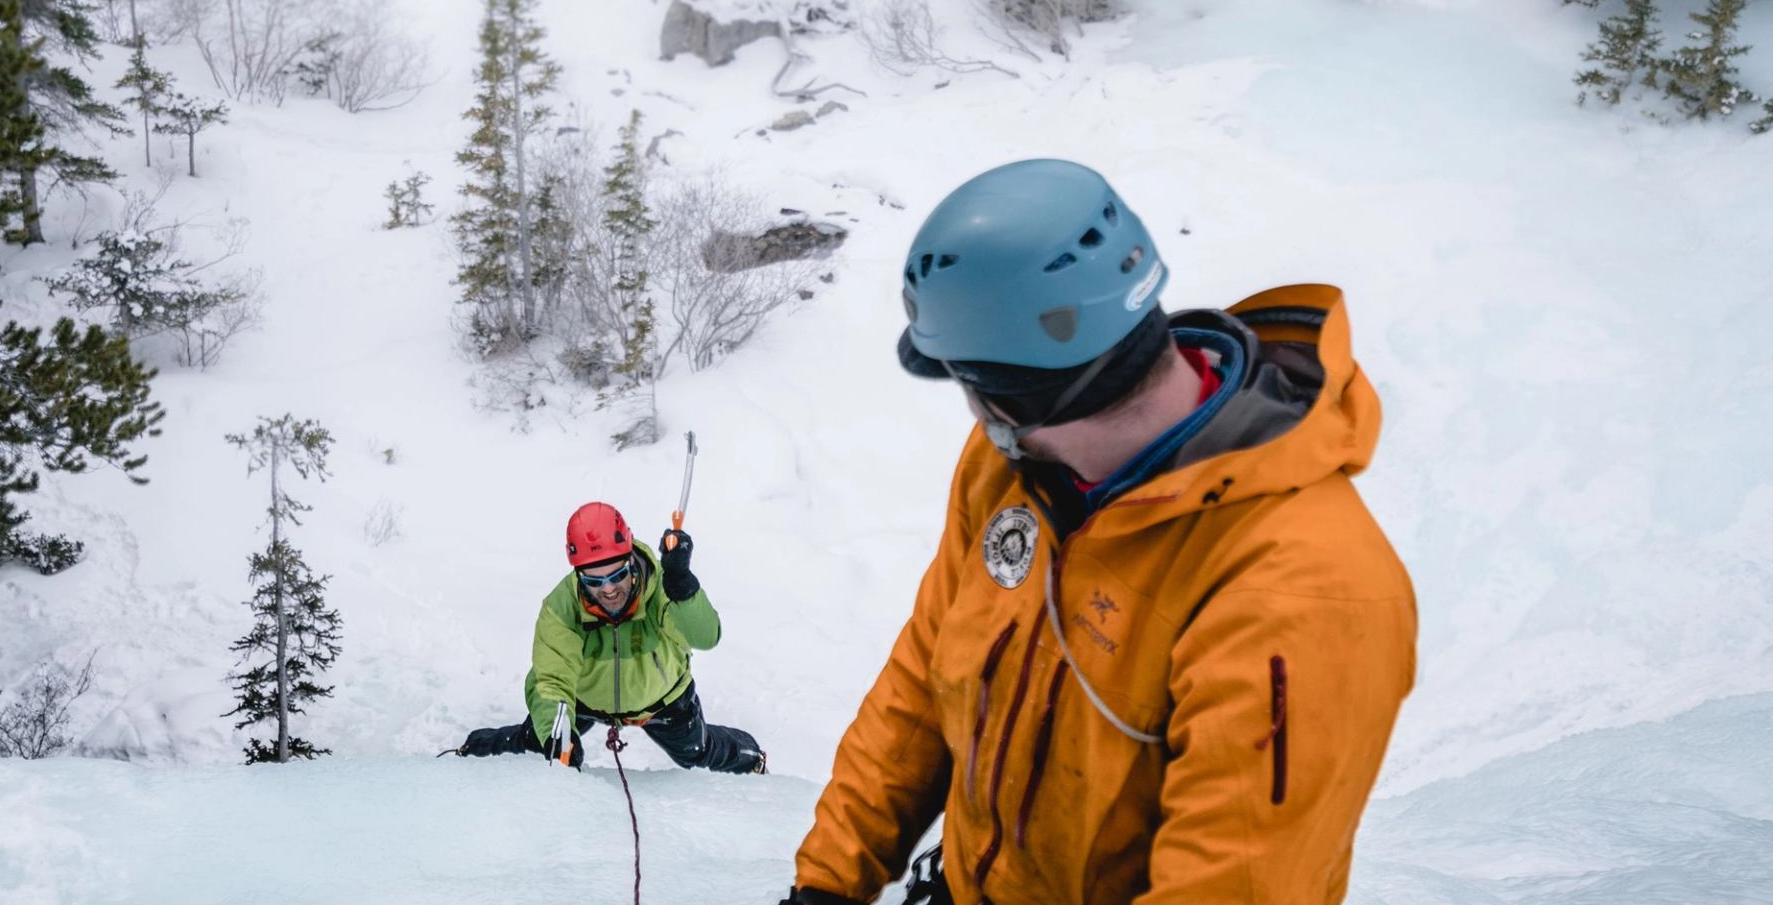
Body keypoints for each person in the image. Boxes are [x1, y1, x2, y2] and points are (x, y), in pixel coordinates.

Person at [781, 158, 1417, 904]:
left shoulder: (1300, 590)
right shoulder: (1007, 472)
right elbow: (925, 677)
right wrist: (829, 880)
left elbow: (1228, 882)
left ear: (1012, 394)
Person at [459, 501, 765, 774]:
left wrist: (683, 588)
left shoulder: (663, 587)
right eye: (594, 580)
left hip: (663, 699)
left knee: (696, 754)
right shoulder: (561, 609)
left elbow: (706, 637)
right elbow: (550, 681)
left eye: (617, 575)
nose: (608, 589)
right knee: (544, 739)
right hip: (585, 699)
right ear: (578, 575)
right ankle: (469, 755)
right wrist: (559, 736)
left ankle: (751, 757)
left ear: (631, 561)